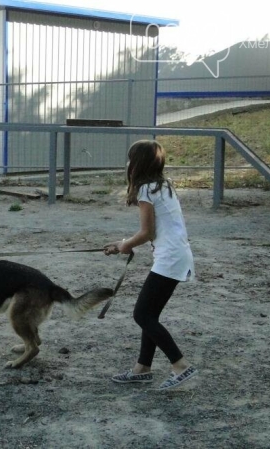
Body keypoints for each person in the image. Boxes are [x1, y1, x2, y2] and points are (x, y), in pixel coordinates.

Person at [103, 139, 197, 391]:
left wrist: (125, 245)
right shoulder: (162, 185)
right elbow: (151, 232)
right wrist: (124, 243)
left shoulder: (146, 190)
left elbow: (147, 232)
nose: (127, 164)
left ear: (137, 163)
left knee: (142, 314)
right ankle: (142, 368)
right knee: (149, 314)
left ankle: (180, 365)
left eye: (130, 158)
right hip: (176, 255)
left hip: (170, 258)